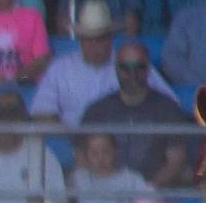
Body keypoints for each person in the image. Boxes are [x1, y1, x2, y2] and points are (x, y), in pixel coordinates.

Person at [30, 0, 170, 126]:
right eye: (88, 39)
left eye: (100, 38)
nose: (94, 45)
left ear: (110, 38)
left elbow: (168, 104)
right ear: (80, 39)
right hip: (71, 145)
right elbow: (41, 113)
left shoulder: (131, 64)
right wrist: (73, 140)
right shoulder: (60, 69)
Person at [80, 40, 192, 190]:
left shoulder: (168, 108)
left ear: (148, 70)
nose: (132, 74)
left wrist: (146, 191)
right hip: (105, 195)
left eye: (139, 67)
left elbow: (176, 161)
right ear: (116, 70)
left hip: (154, 199)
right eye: (125, 68)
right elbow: (81, 158)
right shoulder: (97, 110)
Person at [70, 132, 153, 203]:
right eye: (94, 153)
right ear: (86, 154)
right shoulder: (78, 178)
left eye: (105, 151)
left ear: (115, 151)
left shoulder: (133, 179)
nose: (101, 158)